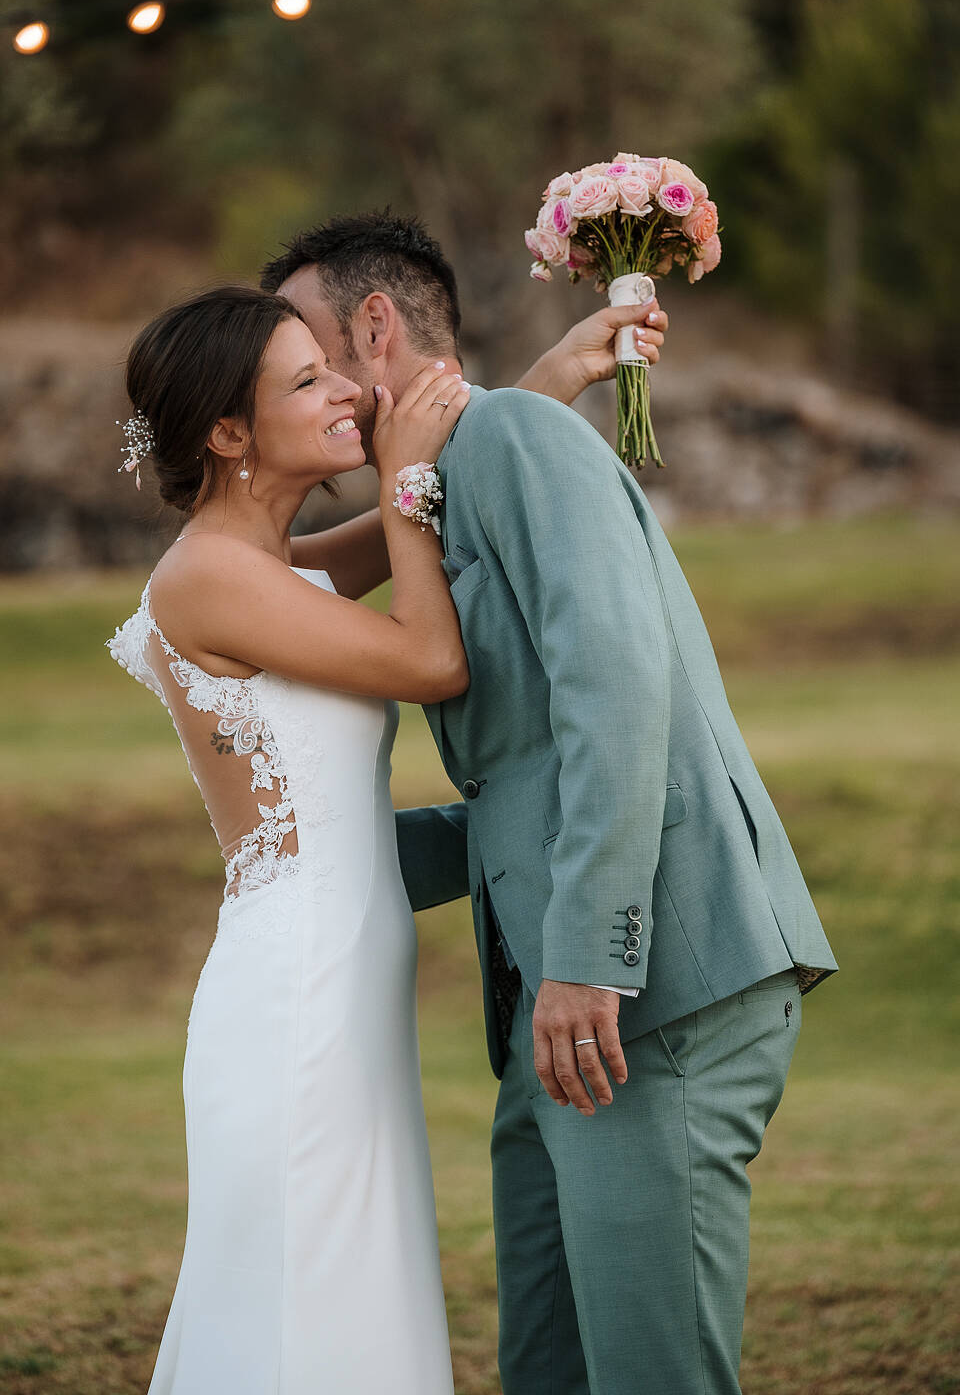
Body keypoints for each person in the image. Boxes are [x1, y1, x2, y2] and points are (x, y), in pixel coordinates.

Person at [260, 212, 839, 1395]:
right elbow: (525, 794)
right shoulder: (452, 479)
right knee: (551, 1367)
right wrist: (299, 859)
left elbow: (618, 698)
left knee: (648, 1376)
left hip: (650, 991)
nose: (306, 386)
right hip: (558, 1018)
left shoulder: (517, 438)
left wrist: (589, 959)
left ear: (378, 328)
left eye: (312, 355)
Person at [107, 282, 654, 1394]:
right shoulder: (207, 575)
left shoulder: (275, 567)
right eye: (307, 380)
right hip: (297, 998)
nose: (350, 389)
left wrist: (548, 380)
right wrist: (406, 486)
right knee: (298, 1306)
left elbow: (430, 502)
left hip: (343, 989)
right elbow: (429, 659)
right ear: (226, 432)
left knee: (347, 1293)